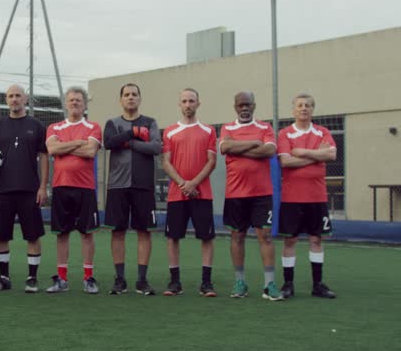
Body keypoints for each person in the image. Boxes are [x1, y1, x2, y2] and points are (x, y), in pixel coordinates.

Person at [0, 84, 49, 293]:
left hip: (30, 190)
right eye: (10, 96)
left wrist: (43, 186)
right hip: (4, 190)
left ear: (25, 98)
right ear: (6, 100)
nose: (14, 99)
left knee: (33, 236)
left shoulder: (36, 125)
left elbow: (44, 155)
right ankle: (3, 277)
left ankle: (32, 279)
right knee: (1, 235)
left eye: (18, 95)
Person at [219, 91, 282, 300]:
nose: (244, 108)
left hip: (261, 194)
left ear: (254, 106)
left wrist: (238, 149)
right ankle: (240, 283)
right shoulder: (227, 128)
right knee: (237, 236)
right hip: (235, 193)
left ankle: (269, 284)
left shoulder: (265, 127)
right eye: (240, 105)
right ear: (235, 107)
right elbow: (225, 147)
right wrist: (254, 143)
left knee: (265, 236)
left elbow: (269, 151)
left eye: (248, 105)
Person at [103, 83, 162, 295]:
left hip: (143, 185)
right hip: (118, 185)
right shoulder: (112, 122)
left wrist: (129, 142)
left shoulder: (151, 122)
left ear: (140, 98)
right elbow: (109, 142)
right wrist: (134, 133)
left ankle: (142, 280)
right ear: (121, 99)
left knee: (144, 231)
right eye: (126, 95)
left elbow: (156, 147)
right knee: (117, 231)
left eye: (134, 94)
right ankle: (120, 280)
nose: (130, 98)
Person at [277, 93, 337, 299]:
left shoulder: (323, 132)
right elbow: (285, 162)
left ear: (313, 109)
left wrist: (301, 152)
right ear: (293, 109)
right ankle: (287, 284)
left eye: (308, 105)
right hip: (291, 198)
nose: (304, 108)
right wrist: (315, 155)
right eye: (300, 105)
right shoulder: (285, 134)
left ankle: (317, 285)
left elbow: (331, 155)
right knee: (290, 241)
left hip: (317, 197)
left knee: (316, 240)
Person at [45, 87, 102, 294]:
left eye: (78, 100)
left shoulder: (93, 126)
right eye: (71, 100)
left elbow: (90, 151)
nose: (75, 103)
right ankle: (62, 279)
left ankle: (88, 278)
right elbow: (52, 149)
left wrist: (66, 146)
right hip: (61, 186)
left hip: (85, 188)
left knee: (87, 233)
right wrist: (78, 142)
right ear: (66, 104)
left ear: (85, 104)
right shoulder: (54, 127)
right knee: (62, 234)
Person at [161, 88, 217, 297]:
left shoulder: (208, 130)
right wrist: (183, 184)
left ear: (198, 103)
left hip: (202, 194)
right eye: (184, 101)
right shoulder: (170, 131)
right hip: (177, 194)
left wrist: (194, 183)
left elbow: (212, 161)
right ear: (179, 104)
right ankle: (175, 282)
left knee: (206, 237)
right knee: (173, 238)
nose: (188, 104)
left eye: (191, 101)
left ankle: (206, 283)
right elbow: (165, 162)